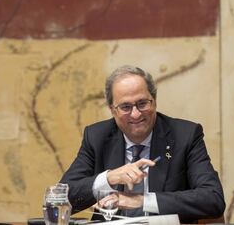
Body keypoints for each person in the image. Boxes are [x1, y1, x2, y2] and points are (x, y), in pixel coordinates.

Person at [59, 65, 225, 223]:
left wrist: (142, 200)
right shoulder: (97, 137)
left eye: (142, 103)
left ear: (154, 101)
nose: (136, 114)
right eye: (125, 107)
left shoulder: (185, 135)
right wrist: (109, 178)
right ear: (112, 109)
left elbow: (213, 198)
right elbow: (62, 199)